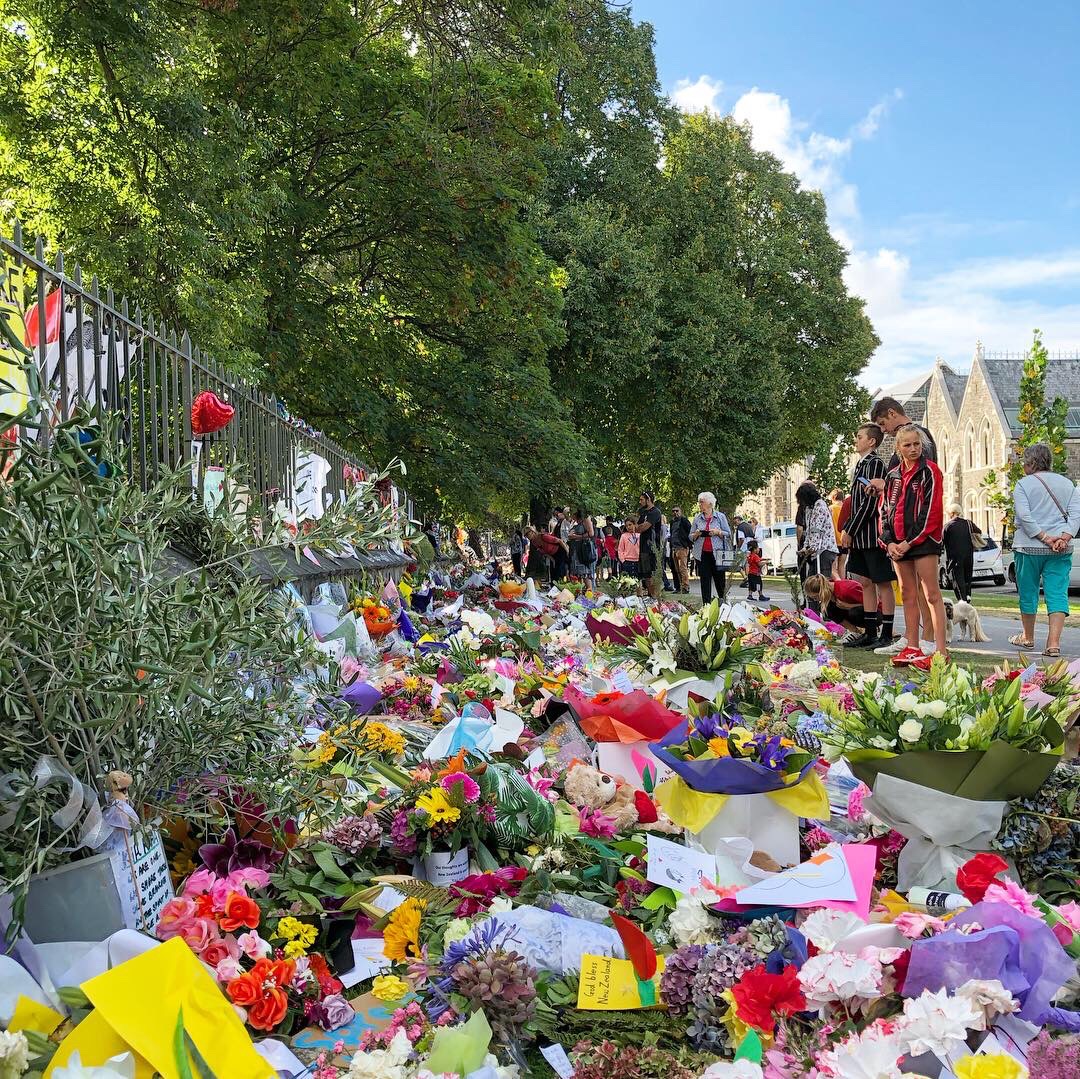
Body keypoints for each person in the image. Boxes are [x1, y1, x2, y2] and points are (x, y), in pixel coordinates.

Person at [869, 398, 938, 657]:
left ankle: (928, 638)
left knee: (924, 587)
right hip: (899, 523)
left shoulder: (917, 436)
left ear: (891, 413)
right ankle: (912, 637)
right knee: (909, 587)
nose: (883, 430)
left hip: (916, 524)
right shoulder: (906, 438)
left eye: (882, 423)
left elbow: (921, 479)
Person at [880, 424, 949, 670]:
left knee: (931, 594)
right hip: (898, 544)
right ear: (898, 448)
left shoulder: (930, 471)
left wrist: (909, 542)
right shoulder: (893, 476)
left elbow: (932, 512)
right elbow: (885, 510)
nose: (913, 449)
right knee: (907, 592)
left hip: (924, 542)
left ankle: (940, 651)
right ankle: (912, 645)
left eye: (916, 444)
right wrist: (889, 541)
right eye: (907, 445)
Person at [1009, 442, 1080, 656]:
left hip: (1029, 547)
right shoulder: (1068, 484)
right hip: (1061, 548)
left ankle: (1028, 637)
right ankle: (1053, 643)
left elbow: (1024, 516)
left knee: (1028, 592)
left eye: (1024, 462)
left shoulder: (1023, 485)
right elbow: (1076, 515)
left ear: (1030, 462)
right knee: (1057, 593)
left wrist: (1045, 538)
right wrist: (1063, 538)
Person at [839, 422, 895, 648]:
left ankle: (886, 634)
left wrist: (850, 529)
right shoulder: (860, 465)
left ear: (871, 441)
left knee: (882, 582)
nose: (856, 440)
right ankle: (870, 631)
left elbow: (870, 503)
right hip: (860, 537)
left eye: (859, 437)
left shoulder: (874, 464)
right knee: (865, 582)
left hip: (872, 535)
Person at [690, 492, 731, 604]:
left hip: (717, 554)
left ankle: (723, 603)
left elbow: (729, 533)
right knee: (705, 581)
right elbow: (690, 536)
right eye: (699, 502)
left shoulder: (720, 517)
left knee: (720, 580)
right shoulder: (697, 518)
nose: (699, 504)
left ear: (709, 503)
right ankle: (706, 605)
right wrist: (697, 534)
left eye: (701, 502)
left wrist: (718, 532)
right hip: (702, 554)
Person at [795, 482, 838, 580]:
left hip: (824, 548)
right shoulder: (809, 508)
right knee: (811, 581)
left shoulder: (820, 506)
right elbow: (809, 529)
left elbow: (816, 529)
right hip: (816, 551)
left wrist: (811, 547)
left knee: (821, 582)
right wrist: (805, 546)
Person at [943, 504, 977, 602]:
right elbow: (978, 532)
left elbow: (942, 543)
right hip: (968, 556)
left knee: (958, 580)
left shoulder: (948, 526)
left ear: (952, 513)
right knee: (967, 578)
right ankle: (967, 596)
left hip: (954, 558)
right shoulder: (968, 523)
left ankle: (962, 600)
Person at [635, 492, 664, 599]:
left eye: (642, 499)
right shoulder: (643, 512)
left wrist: (641, 526)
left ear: (649, 499)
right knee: (646, 574)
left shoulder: (655, 512)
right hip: (643, 547)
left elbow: (642, 527)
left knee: (652, 574)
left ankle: (655, 597)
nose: (640, 501)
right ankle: (651, 596)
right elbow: (637, 527)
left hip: (652, 547)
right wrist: (640, 526)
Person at [569, 509, 596, 587]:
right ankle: (580, 593)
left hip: (583, 551)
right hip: (575, 550)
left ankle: (589, 593)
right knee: (578, 574)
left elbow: (591, 533)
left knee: (585, 573)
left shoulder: (585, 519)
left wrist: (576, 536)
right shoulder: (575, 523)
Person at [669, 506, 692, 593]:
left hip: (682, 547)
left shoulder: (684, 521)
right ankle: (679, 587)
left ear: (680, 511)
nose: (675, 512)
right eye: (673, 511)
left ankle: (685, 587)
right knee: (677, 569)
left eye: (677, 511)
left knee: (683, 568)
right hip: (674, 548)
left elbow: (690, 532)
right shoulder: (672, 522)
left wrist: (688, 545)